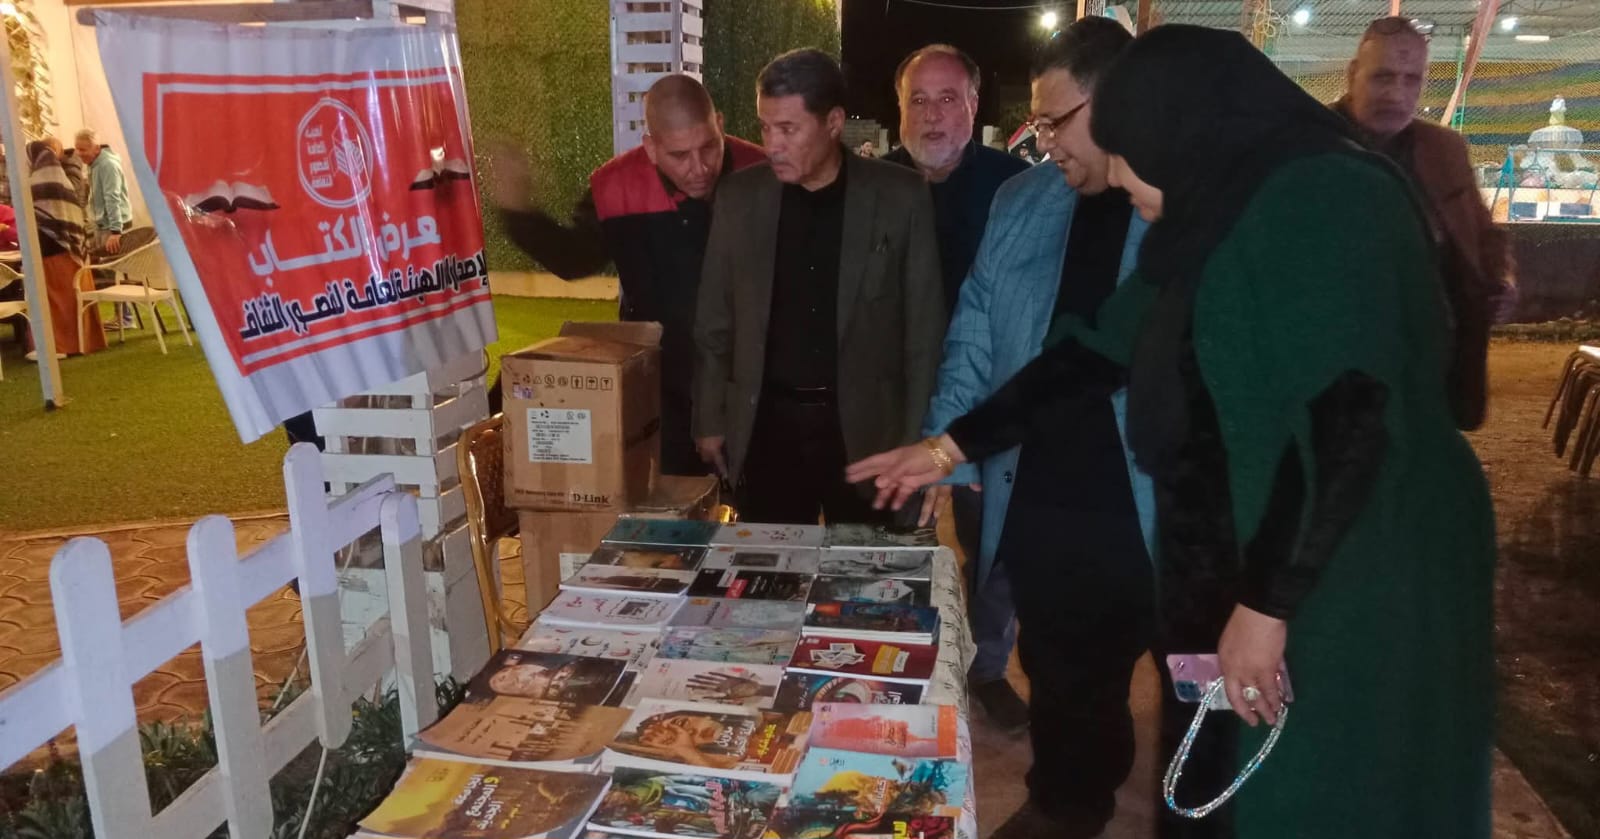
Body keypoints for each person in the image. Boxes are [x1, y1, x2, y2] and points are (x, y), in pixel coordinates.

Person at [850, 24, 1496, 839]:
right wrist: (948, 445)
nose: (1117, 176)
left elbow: (1349, 423)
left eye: (1128, 151)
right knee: (1225, 757)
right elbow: (1093, 351)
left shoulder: (1327, 197)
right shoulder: (1211, 210)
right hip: (1267, 539)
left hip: (1363, 550)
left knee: (1326, 780)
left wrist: (1264, 606)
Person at [908, 19, 1157, 834]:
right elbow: (975, 333)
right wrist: (947, 448)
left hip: (1150, 493)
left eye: (1058, 121)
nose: (1044, 141)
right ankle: (1066, 797)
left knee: (1169, 672)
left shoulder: (1178, 205)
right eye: (1039, 123)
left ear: (1116, 102)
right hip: (1039, 483)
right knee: (1055, 662)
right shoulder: (1023, 202)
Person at [693, 48, 945, 525]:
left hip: (868, 434)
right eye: (765, 127)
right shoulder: (740, 199)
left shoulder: (899, 197)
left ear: (833, 123)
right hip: (768, 428)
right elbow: (714, 322)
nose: (773, 144)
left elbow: (923, 336)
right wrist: (709, 420)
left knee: (864, 566)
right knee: (769, 564)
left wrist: (920, 438)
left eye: (788, 129)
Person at [490, 74, 766, 476]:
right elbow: (574, 258)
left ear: (720, 124)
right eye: (679, 155)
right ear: (650, 147)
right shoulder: (616, 186)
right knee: (673, 499)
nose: (700, 168)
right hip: (662, 384)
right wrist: (518, 211)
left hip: (755, 384)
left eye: (709, 146)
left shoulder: (763, 174)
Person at [881, 43, 1031, 732]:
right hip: (892, 402)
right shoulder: (872, 185)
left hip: (985, 406)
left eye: (948, 99)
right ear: (899, 108)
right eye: (918, 99)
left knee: (992, 548)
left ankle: (986, 668)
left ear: (974, 106)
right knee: (889, 542)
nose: (932, 115)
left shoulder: (1017, 191)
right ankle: (893, 660)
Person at [1333, 17, 1514, 430]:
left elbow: (1485, 233)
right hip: (1339, 365)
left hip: (1433, 358)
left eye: (1411, 79)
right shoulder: (1310, 144)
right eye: (1382, 77)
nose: (1396, 94)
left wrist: (1502, 279)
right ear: (1352, 74)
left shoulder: (1445, 149)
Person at [25, 140, 104, 358]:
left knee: (56, 301)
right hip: (74, 250)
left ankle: (59, 346)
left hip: (52, 251)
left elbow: (38, 221)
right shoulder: (63, 181)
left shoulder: (37, 183)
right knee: (74, 300)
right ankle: (85, 341)